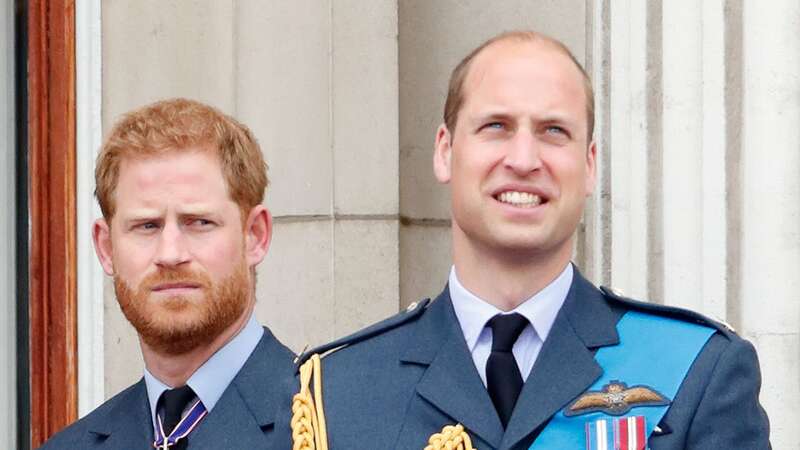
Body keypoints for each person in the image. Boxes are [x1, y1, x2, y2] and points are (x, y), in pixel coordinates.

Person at [289, 31, 771, 449]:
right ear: (445, 151)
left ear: (588, 164)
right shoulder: (339, 389)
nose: (523, 159)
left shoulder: (697, 371)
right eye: (496, 126)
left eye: (553, 131)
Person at [40, 99, 295, 449]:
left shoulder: (337, 426)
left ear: (255, 235)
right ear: (106, 247)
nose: (170, 254)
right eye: (146, 226)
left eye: (199, 222)